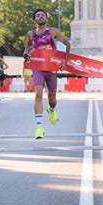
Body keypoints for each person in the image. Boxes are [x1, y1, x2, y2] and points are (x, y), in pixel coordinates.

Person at [23, 8, 71, 140]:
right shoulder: (31, 34)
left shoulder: (54, 32)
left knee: (52, 99)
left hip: (51, 69)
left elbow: (67, 44)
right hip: (37, 67)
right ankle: (39, 127)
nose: (40, 17)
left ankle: (52, 110)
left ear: (46, 18)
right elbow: (27, 47)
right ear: (35, 19)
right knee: (38, 94)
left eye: (42, 15)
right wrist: (25, 53)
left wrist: (65, 62)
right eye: (37, 15)